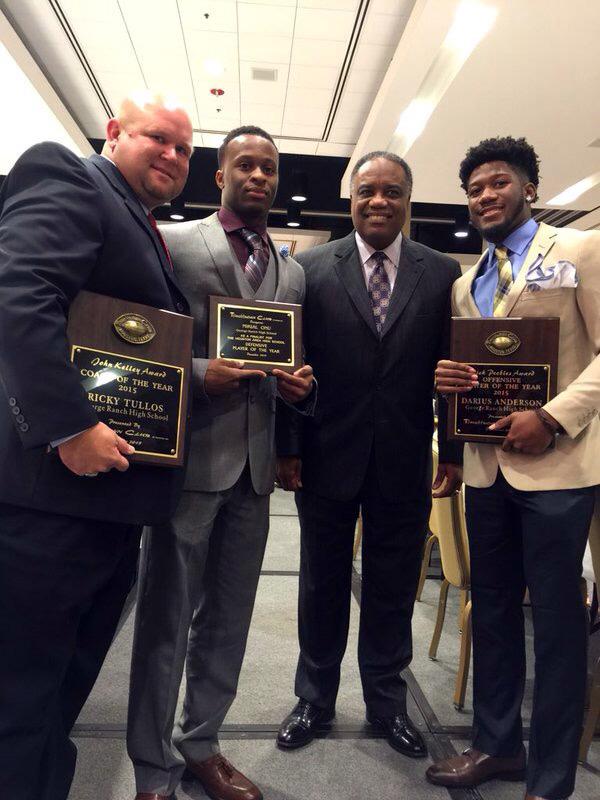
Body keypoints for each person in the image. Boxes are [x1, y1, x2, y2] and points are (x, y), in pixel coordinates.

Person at [0, 92, 193, 800]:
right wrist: (69, 427)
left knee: (59, 693)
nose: (173, 156)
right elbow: (17, 296)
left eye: (184, 150)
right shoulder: (71, 176)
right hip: (48, 501)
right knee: (21, 697)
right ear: (114, 134)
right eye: (159, 139)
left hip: (101, 506)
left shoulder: (138, 223)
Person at [127, 125, 314, 800]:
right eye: (246, 165)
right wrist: (202, 369)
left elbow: (288, 361)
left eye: (268, 167)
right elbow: (138, 344)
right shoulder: (178, 245)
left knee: (229, 621)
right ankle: (151, 768)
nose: (259, 176)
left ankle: (199, 744)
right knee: (165, 621)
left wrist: (302, 385)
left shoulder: (291, 270)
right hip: (190, 462)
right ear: (221, 175)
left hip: (256, 474)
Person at [427, 136, 600, 800]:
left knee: (555, 621)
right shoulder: (464, 280)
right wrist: (447, 380)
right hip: (485, 472)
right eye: (473, 188)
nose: (484, 196)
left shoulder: (579, 254)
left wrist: (553, 416)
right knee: (492, 606)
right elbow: (472, 369)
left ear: (531, 188)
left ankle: (550, 778)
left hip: (559, 471)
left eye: (497, 183)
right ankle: (497, 746)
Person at [275, 151, 462, 757]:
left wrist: (452, 451)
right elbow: (291, 370)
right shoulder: (310, 269)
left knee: (391, 586)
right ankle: (314, 699)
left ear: (409, 198)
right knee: (321, 583)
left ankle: (387, 703)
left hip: (405, 459)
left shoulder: (439, 274)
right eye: (367, 192)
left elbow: (454, 372)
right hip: (326, 454)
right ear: (350, 200)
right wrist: (289, 448)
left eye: (391, 192)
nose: (378, 202)